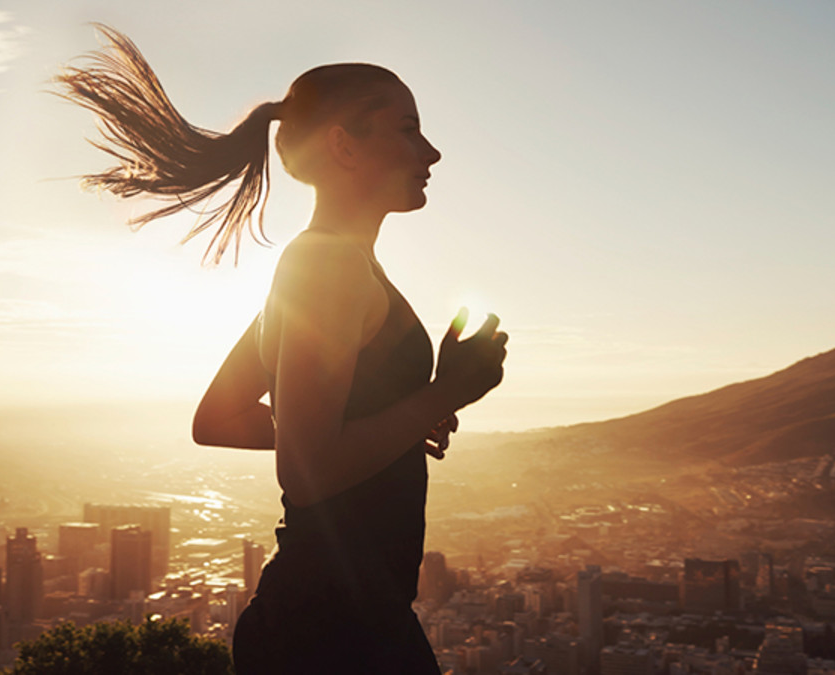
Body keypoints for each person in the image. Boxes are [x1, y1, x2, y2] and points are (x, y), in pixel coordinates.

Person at [57, 27, 508, 674]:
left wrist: (397, 421)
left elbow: (221, 417)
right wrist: (441, 393)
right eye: (408, 129)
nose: (431, 151)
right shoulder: (329, 270)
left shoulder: (322, 266)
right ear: (342, 145)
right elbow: (306, 467)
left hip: (331, 619)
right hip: (335, 631)